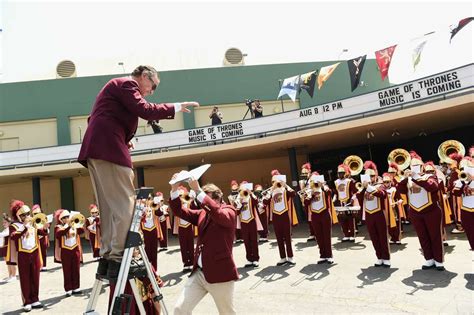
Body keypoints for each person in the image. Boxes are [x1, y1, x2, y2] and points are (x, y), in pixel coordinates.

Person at [77, 65, 199, 279]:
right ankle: (118, 259)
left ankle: (107, 258)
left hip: (97, 150)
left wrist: (124, 137)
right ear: (144, 76)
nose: (151, 92)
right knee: (126, 206)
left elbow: (94, 119)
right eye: (153, 86)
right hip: (109, 150)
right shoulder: (127, 84)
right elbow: (146, 110)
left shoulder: (113, 88)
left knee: (108, 209)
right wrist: (177, 107)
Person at [168, 176, 239, 315]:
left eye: (205, 196)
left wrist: (197, 190)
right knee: (180, 310)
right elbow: (179, 211)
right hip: (199, 273)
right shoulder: (202, 213)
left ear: (216, 197)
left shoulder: (229, 210)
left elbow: (218, 214)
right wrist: (174, 189)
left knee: (227, 312)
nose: (200, 200)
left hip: (220, 275)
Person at [396, 151, 445, 271]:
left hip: (431, 210)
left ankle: (438, 260)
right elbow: (400, 191)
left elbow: (432, 187)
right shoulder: (408, 179)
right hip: (415, 211)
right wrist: (404, 178)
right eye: (412, 166)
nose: (414, 168)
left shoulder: (430, 176)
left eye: (417, 165)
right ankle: (428, 259)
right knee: (422, 236)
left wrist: (416, 177)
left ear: (422, 166)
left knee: (435, 235)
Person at [8, 200, 47, 312]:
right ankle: (27, 301)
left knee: (35, 277)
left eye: (28, 214)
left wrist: (44, 227)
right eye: (23, 215)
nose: (26, 216)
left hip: (34, 252)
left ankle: (35, 299)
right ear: (18, 216)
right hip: (23, 254)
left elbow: (42, 233)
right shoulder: (14, 226)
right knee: (25, 278)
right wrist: (24, 226)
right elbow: (14, 237)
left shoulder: (33, 223)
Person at [356, 161, 391, 267]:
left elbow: (382, 195)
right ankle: (379, 257)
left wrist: (369, 188)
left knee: (383, 237)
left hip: (379, 214)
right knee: (374, 237)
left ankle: (386, 258)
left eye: (372, 176)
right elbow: (359, 197)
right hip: (369, 215)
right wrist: (363, 188)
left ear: (375, 176)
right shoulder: (363, 187)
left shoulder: (380, 185)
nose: (370, 178)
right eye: (368, 176)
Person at [262, 170, 298, 266]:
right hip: (276, 216)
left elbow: (294, 194)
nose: (277, 183)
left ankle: (290, 257)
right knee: (279, 238)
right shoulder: (271, 192)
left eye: (278, 181)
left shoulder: (285, 190)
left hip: (285, 215)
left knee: (287, 237)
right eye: (274, 181)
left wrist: (285, 185)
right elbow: (265, 202)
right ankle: (282, 257)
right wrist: (271, 190)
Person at [54, 209, 84, 296]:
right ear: (61, 219)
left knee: (76, 269)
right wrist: (68, 226)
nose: (67, 218)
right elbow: (59, 234)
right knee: (67, 270)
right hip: (65, 251)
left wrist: (79, 224)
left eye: (68, 217)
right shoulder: (58, 227)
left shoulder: (74, 225)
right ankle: (68, 288)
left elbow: (81, 232)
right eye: (65, 217)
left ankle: (76, 287)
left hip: (75, 249)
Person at [31, 205, 50, 271]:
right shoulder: (31, 220)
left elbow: (47, 229)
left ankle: (43, 265)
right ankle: (36, 265)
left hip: (42, 237)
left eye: (38, 213)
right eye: (35, 213)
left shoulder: (44, 218)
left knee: (43, 251)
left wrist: (46, 227)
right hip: (34, 238)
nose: (37, 215)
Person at [1, 214, 17, 283]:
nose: (3, 224)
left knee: (11, 262)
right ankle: (10, 275)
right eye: (3, 222)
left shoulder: (10, 229)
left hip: (10, 248)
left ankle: (14, 276)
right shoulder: (5, 230)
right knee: (8, 263)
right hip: (5, 248)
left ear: (9, 222)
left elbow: (2, 235)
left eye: (5, 222)